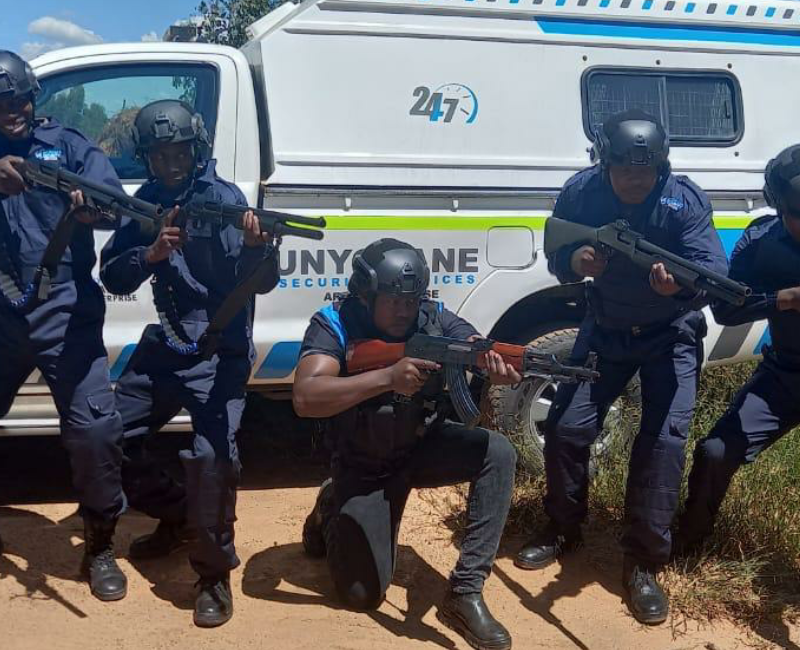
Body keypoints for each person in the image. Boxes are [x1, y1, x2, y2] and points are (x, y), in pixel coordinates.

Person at [514, 110, 728, 624]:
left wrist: (677, 288)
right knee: (566, 428)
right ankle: (563, 527)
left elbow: (713, 272)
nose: (635, 179)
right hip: (606, 327)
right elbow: (557, 253)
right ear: (604, 162)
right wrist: (576, 262)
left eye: (645, 170)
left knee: (663, 445)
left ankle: (644, 562)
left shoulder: (684, 200)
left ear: (661, 165)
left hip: (670, 334)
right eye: (625, 169)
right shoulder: (582, 192)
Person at [100, 99, 278, 627]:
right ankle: (178, 516)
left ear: (196, 150)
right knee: (106, 436)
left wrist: (255, 247)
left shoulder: (224, 200)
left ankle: (213, 575)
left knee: (212, 459)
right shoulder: (147, 202)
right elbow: (113, 274)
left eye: (179, 153)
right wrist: (149, 255)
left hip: (219, 348)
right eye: (159, 155)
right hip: (167, 344)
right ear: (147, 158)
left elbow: (260, 283)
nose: (170, 164)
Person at [293, 238, 518, 650]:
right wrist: (387, 378)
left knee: (497, 452)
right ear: (366, 295)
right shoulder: (335, 323)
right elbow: (306, 396)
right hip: (364, 466)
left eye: (411, 301)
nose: (404, 310)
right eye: (394, 301)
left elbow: (474, 344)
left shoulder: (434, 317)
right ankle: (330, 505)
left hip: (421, 448)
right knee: (362, 596)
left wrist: (494, 367)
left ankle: (465, 592)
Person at [0, 50, 127, 601]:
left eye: (19, 100)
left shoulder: (69, 146)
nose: (12, 112)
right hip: (2, 316)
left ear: (34, 98)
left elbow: (116, 206)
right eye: (0, 104)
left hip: (65, 311)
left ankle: (99, 544)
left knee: (95, 431)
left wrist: (94, 212)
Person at [677, 144, 800, 551]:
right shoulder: (762, 240)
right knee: (715, 452)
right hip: (785, 375)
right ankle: (688, 541)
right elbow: (726, 309)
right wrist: (784, 299)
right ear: (779, 207)